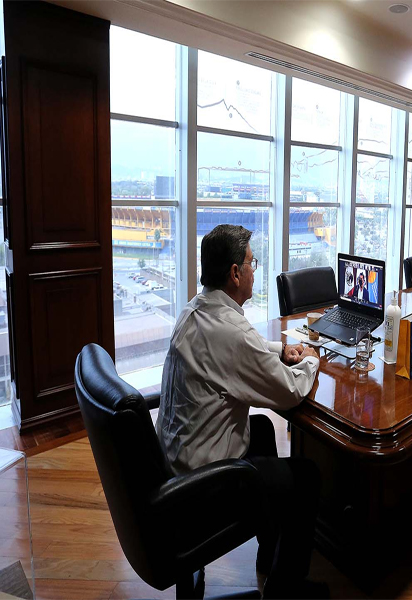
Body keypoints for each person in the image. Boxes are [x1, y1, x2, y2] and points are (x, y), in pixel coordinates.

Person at [156, 224, 327, 599]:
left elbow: (238, 346)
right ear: (235, 273)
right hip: (202, 486)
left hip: (175, 462)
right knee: (308, 476)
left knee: (262, 430)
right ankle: (286, 590)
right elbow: (291, 391)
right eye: (252, 262)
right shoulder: (230, 331)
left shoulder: (195, 309)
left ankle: (270, 553)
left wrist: (278, 350)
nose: (255, 269)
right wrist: (311, 360)